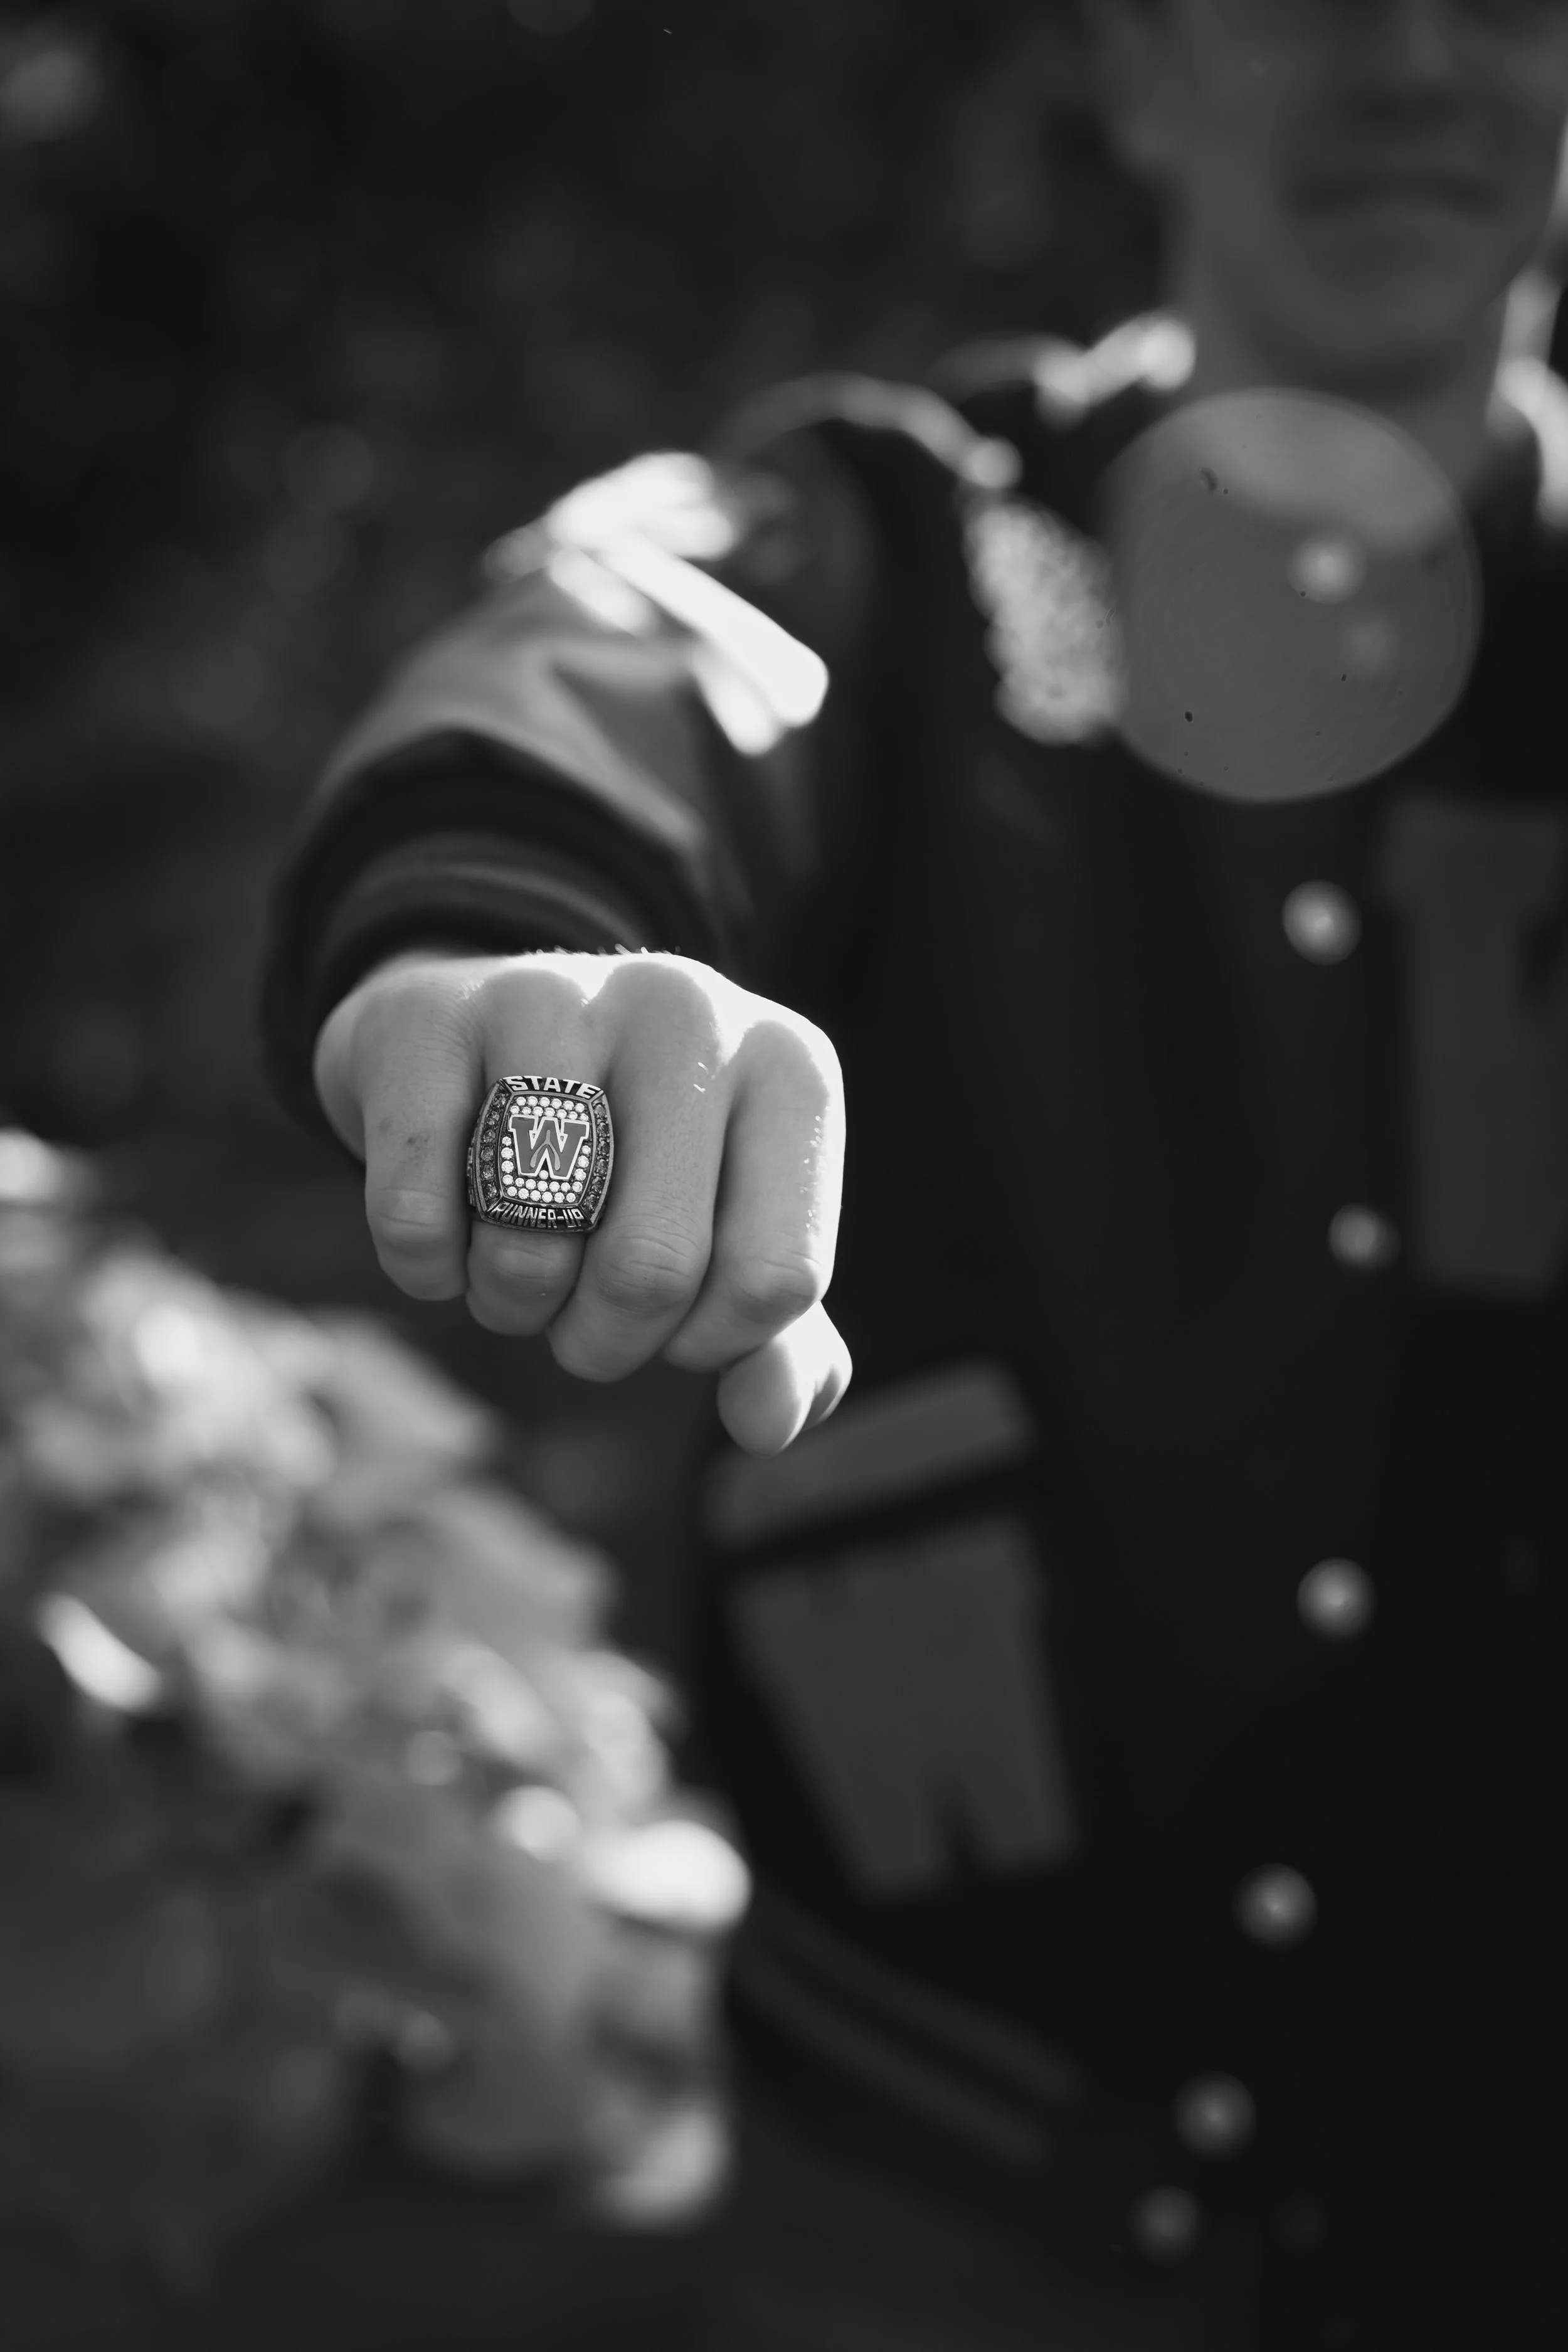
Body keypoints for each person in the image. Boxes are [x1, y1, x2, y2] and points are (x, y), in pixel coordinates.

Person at [262, 3, 1568, 2344]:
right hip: (926, 2167)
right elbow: (627, 641)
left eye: (1495, 0)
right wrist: (503, 945)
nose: (1407, 67)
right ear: (1143, 66)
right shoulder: (925, 539)